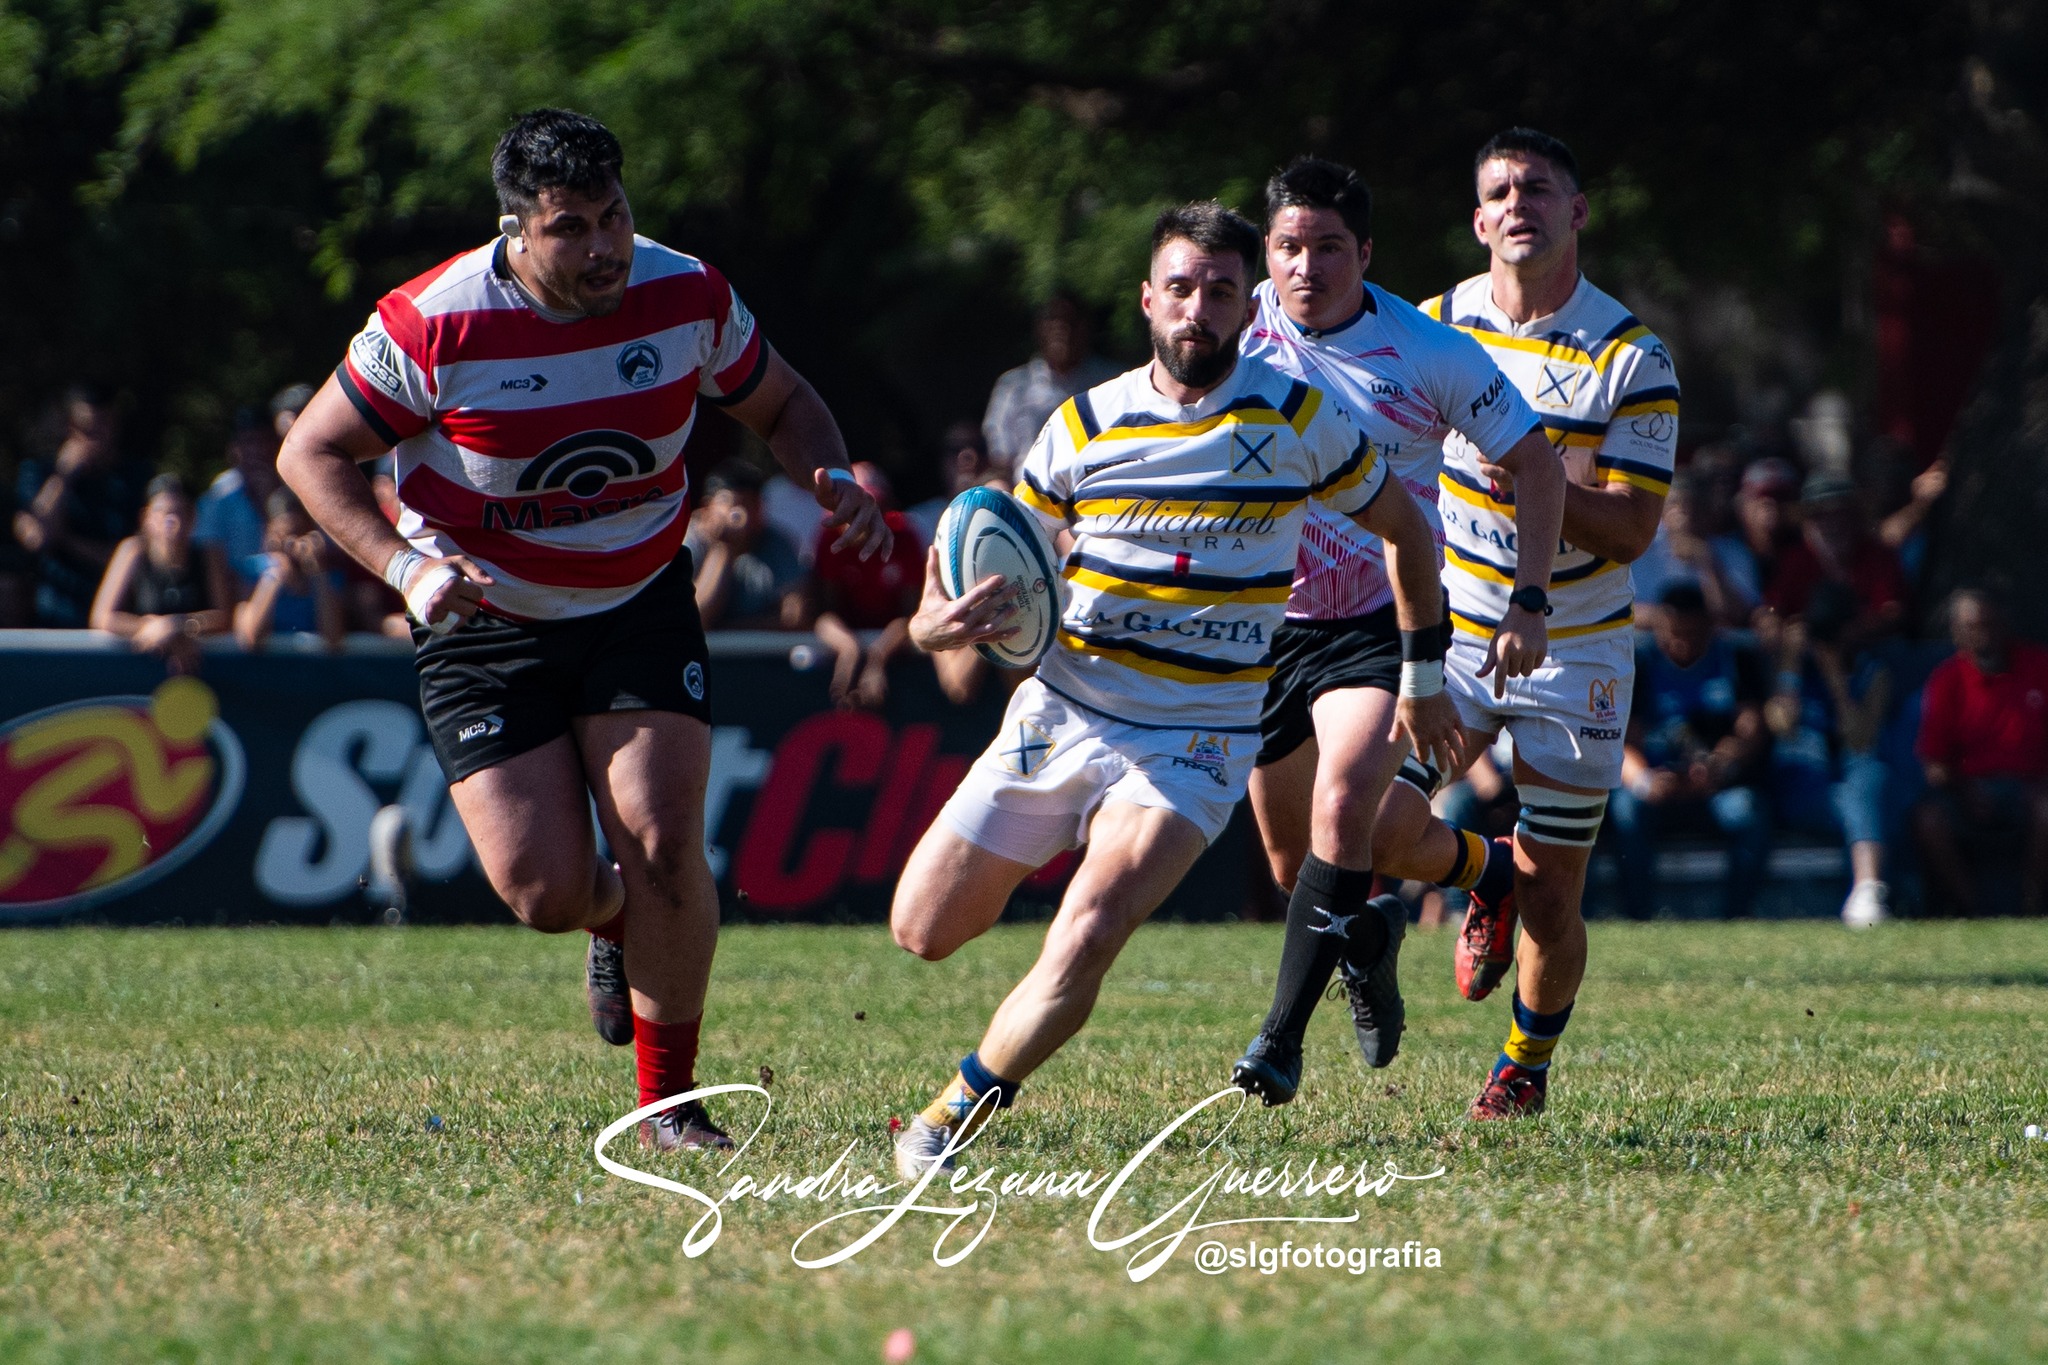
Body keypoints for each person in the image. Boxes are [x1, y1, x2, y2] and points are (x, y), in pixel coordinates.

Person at [275, 108, 891, 1150]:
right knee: (544, 890)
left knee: (662, 846)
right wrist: (404, 566)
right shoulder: (433, 322)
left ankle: (669, 1105)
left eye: (614, 216)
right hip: (483, 621)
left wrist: (826, 475)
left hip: (637, 606)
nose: (604, 247)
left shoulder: (684, 292)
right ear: (516, 228)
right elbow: (310, 456)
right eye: (571, 229)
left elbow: (783, 405)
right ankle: (613, 928)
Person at [887, 201, 1459, 1179]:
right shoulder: (1078, 427)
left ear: (1249, 307)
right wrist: (929, 626)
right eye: (1182, 288)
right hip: (1064, 711)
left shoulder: (1297, 417)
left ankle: (956, 1107)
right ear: (1147, 298)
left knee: (1092, 924)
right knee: (922, 928)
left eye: (1221, 291)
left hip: (1191, 740)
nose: (1198, 308)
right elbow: (988, 590)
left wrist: (1418, 668)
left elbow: (1406, 529)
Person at [1225, 156, 1565, 1104]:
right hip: (1264, 630)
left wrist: (1530, 601)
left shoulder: (1430, 351)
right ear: (1268, 252)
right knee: (1314, 868)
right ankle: (1455, 888)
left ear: (1365, 253)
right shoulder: (1229, 331)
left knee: (1345, 818)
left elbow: (1535, 469)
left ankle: (1277, 1044)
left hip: (1387, 621)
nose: (1307, 266)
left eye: (1329, 247)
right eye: (1289, 247)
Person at [1375, 127, 1677, 1119]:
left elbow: (1631, 528)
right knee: (1370, 819)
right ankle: (1481, 872)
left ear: (1575, 211)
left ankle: (1521, 1070)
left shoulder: (1629, 357)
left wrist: (1532, 474)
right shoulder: (1430, 325)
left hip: (1576, 643)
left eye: (1538, 189)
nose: (1518, 204)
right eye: (1498, 190)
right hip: (1455, 631)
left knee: (1557, 891)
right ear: (1475, 219)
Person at [1609, 584, 1771, 920]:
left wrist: (1720, 766)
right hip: (1657, 786)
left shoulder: (1734, 660)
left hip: (1714, 787)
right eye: (1673, 634)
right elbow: (1623, 740)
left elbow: (1751, 731)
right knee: (1626, 810)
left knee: (1748, 811)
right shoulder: (1638, 664)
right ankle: (1638, 917)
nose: (1682, 644)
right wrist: (1646, 782)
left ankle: (1737, 917)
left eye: (1692, 634)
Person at [1762, 581, 1894, 926]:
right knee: (1856, 792)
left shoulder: (1873, 673)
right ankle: (1868, 887)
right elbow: (1782, 725)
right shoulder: (1793, 669)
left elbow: (1860, 739)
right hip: (1801, 786)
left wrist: (1835, 676)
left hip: (1850, 784)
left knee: (1867, 775)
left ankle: (1867, 889)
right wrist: (1791, 662)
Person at [1913, 589, 2048, 916]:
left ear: (2004, 624)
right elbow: (1934, 763)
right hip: (1969, 790)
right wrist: (1965, 791)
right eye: (1971, 627)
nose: (1981, 634)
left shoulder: (2040, 667)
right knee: (1927, 820)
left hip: (2031, 788)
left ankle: (2032, 908)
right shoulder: (1947, 680)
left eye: (1988, 624)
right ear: (1956, 632)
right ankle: (1974, 912)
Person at [12, 387, 146, 628]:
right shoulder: (39, 474)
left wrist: (66, 541)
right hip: (53, 611)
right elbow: (37, 537)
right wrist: (63, 476)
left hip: (117, 614)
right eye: (84, 427)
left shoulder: (135, 479)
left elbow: (131, 555)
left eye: (102, 425)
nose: (93, 436)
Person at [88, 474, 234, 671]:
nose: (171, 521)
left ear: (193, 518)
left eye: (180, 512)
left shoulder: (210, 555)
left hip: (199, 671)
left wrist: (179, 627)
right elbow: (103, 617)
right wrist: (149, 628)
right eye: (162, 512)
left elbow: (224, 617)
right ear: (146, 518)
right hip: (139, 670)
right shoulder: (132, 551)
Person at [810, 462, 925, 709]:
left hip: (900, 658)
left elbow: (911, 615)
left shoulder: (904, 538)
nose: (858, 519)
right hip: (843, 643)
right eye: (850, 509)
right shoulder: (829, 539)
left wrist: (878, 655)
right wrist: (847, 648)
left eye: (869, 508)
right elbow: (823, 614)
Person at [980, 292, 1120, 476]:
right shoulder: (1014, 386)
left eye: (1070, 320)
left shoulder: (1112, 382)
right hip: (1027, 494)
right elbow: (1000, 457)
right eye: (1053, 320)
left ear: (1086, 328)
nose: (1061, 328)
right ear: (1039, 328)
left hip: (1096, 493)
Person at [1763, 472, 1907, 636]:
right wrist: (1769, 621)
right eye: (1820, 515)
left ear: (1856, 517)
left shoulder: (1879, 557)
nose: (1833, 524)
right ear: (1807, 523)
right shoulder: (1796, 560)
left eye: (1841, 513)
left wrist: (1852, 631)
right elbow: (1772, 606)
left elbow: (1892, 612)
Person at [683, 460, 809, 630]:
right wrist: (723, 546)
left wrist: (729, 630)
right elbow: (697, 617)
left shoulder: (776, 541)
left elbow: (794, 616)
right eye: (734, 504)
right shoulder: (688, 543)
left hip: (756, 651)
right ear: (707, 506)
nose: (743, 515)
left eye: (752, 504)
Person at [232, 488, 347, 651]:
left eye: (298, 534)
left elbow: (334, 638)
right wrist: (274, 575)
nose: (291, 544)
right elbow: (250, 637)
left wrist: (318, 572)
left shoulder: (330, 577)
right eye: (284, 535)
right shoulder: (252, 572)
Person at [194, 405, 287, 593]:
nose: (257, 451)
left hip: (291, 588)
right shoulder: (219, 495)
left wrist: (269, 501)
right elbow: (206, 555)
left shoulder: (294, 486)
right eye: (249, 442)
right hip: (236, 595)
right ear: (234, 450)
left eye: (264, 441)